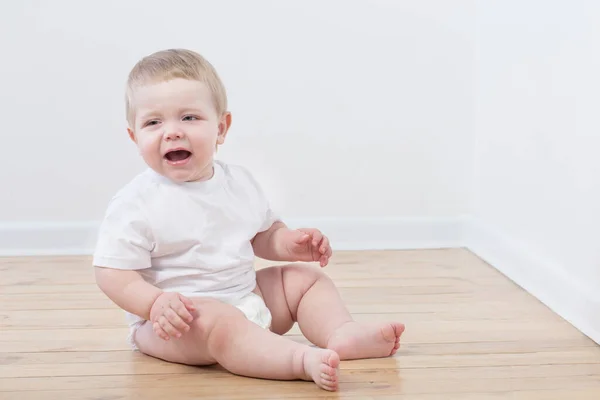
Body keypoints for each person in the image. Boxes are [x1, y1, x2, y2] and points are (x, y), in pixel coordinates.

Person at [92, 48, 405, 391]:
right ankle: (297, 359)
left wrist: (290, 243)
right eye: (153, 122)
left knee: (303, 281)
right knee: (216, 321)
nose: (172, 132)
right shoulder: (136, 202)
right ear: (135, 137)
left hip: (247, 297)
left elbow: (262, 234)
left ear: (221, 128)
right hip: (177, 326)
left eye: (189, 118)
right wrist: (154, 304)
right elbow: (112, 272)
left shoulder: (238, 183)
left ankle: (339, 332)